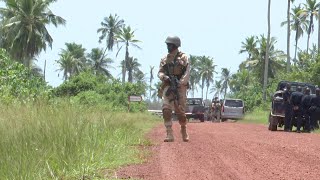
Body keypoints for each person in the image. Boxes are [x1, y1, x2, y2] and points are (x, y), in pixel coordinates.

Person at [157, 36, 190, 142]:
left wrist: (181, 83)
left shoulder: (184, 57)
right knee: (166, 108)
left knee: (180, 112)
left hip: (180, 86)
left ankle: (183, 129)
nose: (168, 46)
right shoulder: (164, 59)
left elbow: (187, 72)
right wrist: (164, 77)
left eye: (169, 45)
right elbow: (160, 72)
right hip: (167, 85)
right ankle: (169, 133)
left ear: (175, 45)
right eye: (167, 44)